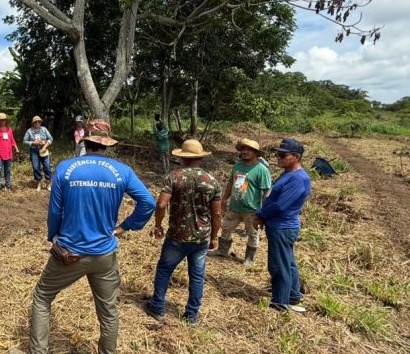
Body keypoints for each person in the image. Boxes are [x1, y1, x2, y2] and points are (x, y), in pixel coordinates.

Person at [28, 119, 155, 354]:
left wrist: (53, 237)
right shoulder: (122, 172)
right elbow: (148, 202)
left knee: (42, 298)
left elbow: (55, 211)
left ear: (84, 139)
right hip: (104, 254)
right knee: (108, 312)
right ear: (107, 144)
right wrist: (125, 227)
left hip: (70, 253)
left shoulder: (66, 168)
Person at [143, 139, 222, 326]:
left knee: (164, 270)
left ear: (182, 157)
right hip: (201, 238)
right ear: (200, 158)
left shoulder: (174, 177)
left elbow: (162, 204)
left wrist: (158, 225)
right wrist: (214, 237)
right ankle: (191, 315)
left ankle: (158, 307)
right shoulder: (211, 181)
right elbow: (217, 213)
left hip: (177, 236)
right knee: (197, 276)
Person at [256, 138, 312, 313]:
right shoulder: (288, 173)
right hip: (279, 225)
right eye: (277, 154)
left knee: (279, 265)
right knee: (287, 262)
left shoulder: (298, 179)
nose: (277, 157)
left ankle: (280, 302)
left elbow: (281, 205)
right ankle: (293, 296)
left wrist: (260, 214)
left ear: (296, 157)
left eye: (282, 155)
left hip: (282, 227)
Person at [210, 138, 271, 267]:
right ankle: (222, 250)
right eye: (243, 149)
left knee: (253, 234)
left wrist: (264, 211)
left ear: (256, 153)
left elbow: (266, 192)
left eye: (249, 150)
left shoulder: (261, 170)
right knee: (226, 228)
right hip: (235, 206)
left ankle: (249, 258)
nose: (245, 152)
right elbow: (231, 183)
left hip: (251, 209)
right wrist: (224, 199)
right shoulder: (237, 165)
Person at [23, 116, 54, 191]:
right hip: (34, 151)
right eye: (35, 122)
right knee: (36, 167)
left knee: (47, 166)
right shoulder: (29, 131)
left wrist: (44, 147)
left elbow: (50, 138)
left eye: (39, 121)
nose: (37, 123)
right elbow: (24, 141)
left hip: (44, 150)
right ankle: (39, 183)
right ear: (33, 123)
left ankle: (48, 183)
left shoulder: (44, 129)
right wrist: (33, 142)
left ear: (40, 122)